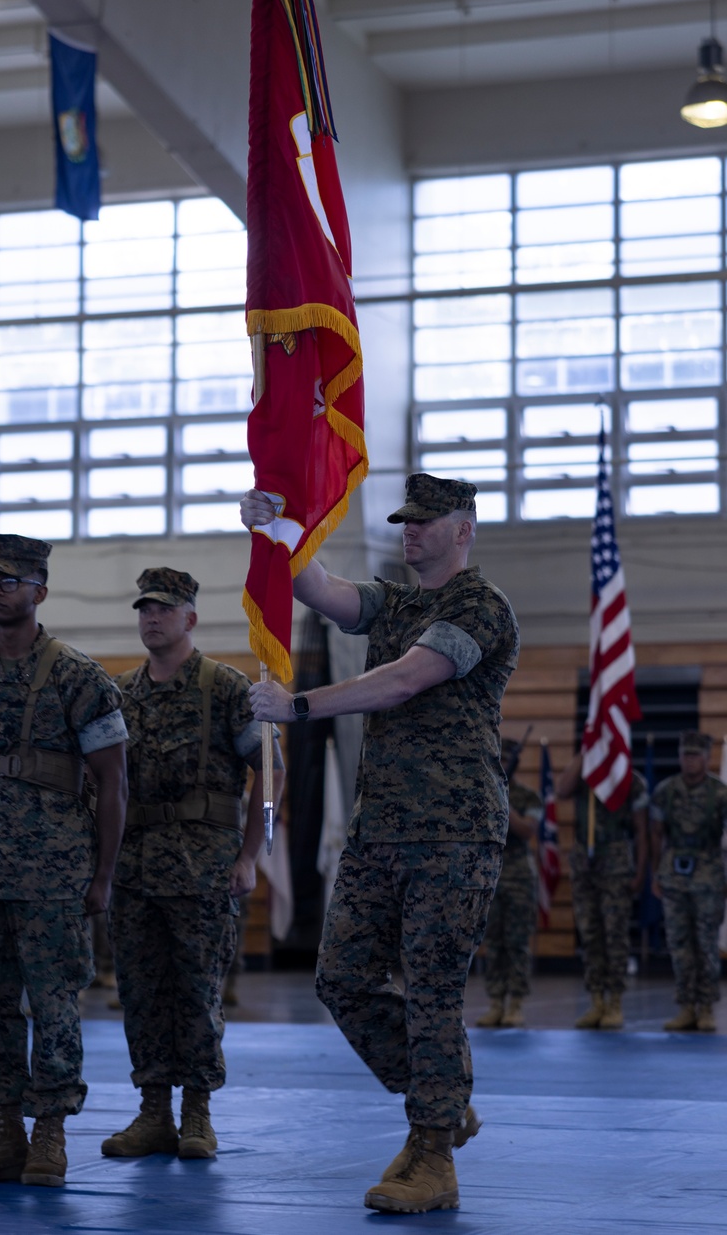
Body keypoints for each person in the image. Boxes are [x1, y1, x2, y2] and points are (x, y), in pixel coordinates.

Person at [243, 473, 518, 1216]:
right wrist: (273, 531)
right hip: (380, 828)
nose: (411, 531)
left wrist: (298, 705)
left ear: (464, 528)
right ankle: (444, 1094)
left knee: (431, 991)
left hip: (453, 831)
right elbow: (321, 588)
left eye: (427, 521)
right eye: (405, 520)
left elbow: (402, 681)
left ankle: (431, 1153)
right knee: (340, 977)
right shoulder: (397, 602)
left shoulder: (480, 607)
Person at [0, 534, 127, 1188]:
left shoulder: (78, 676)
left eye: (11, 581)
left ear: (40, 591)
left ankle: (49, 1134)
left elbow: (113, 781)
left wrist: (101, 873)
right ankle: (4, 1133)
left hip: (52, 871)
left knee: (53, 1003)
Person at [101, 568, 284, 1162]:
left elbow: (271, 770)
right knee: (141, 992)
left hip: (203, 867)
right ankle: (153, 1111)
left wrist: (251, 854)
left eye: (163, 609)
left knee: (198, 992)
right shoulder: (120, 693)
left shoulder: (224, 688)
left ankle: (197, 1113)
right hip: (134, 865)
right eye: (144, 609)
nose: (151, 618)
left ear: (190, 618)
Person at [556, 750, 648, 1031]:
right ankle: (596, 1001)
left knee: (615, 934)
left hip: (616, 859)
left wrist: (641, 872)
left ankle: (615, 1002)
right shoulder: (585, 776)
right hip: (585, 860)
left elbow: (642, 831)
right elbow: (561, 791)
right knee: (590, 932)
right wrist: (584, 754)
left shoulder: (631, 779)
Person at [650, 732, 727, 1033]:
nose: (690, 760)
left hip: (709, 875)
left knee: (706, 944)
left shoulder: (720, 794)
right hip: (674, 875)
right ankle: (685, 1007)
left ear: (708, 758)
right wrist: (657, 873)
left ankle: (706, 1007)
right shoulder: (665, 791)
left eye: (696, 755)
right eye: (686, 755)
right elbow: (656, 834)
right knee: (679, 944)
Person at [476, 739, 541, 1029]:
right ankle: (495, 1001)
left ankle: (515, 1002)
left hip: (518, 876)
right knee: (493, 941)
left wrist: (503, 801)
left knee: (516, 942)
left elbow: (527, 830)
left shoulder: (529, 797)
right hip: (489, 874)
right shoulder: (482, 791)